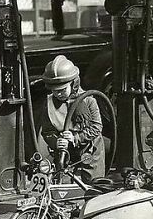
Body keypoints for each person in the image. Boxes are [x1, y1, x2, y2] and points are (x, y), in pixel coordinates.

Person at [37, 55, 105, 183]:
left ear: (73, 84)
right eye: (55, 90)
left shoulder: (88, 100)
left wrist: (75, 138)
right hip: (64, 151)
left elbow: (97, 127)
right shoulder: (49, 103)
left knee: (94, 185)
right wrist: (56, 142)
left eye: (62, 90)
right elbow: (47, 131)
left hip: (89, 149)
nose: (58, 94)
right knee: (61, 185)